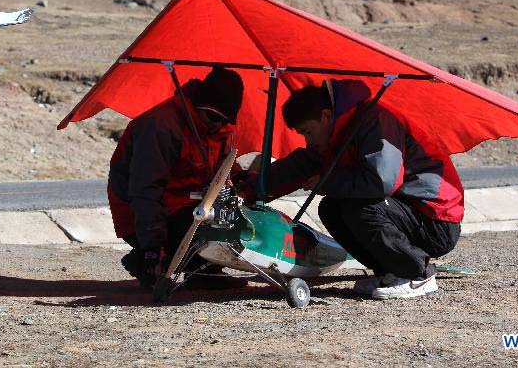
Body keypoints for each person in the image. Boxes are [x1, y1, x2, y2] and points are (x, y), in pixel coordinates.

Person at [239, 79, 464, 299]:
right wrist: (247, 189)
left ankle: (417, 274)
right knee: (331, 207)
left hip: (435, 221)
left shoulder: (375, 119)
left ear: (326, 116)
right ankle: (390, 272)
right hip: (403, 211)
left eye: (308, 131)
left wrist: (326, 183)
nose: (307, 141)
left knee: (360, 206)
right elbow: (300, 166)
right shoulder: (335, 133)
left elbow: (382, 181)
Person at [108, 67, 245, 289]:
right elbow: (145, 190)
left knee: (234, 219)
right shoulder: (160, 126)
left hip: (190, 207)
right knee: (204, 226)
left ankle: (203, 269)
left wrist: (250, 183)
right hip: (141, 213)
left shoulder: (218, 132)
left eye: (224, 120)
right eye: (213, 117)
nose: (217, 125)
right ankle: (148, 259)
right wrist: (153, 247)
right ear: (199, 106)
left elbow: (226, 172)